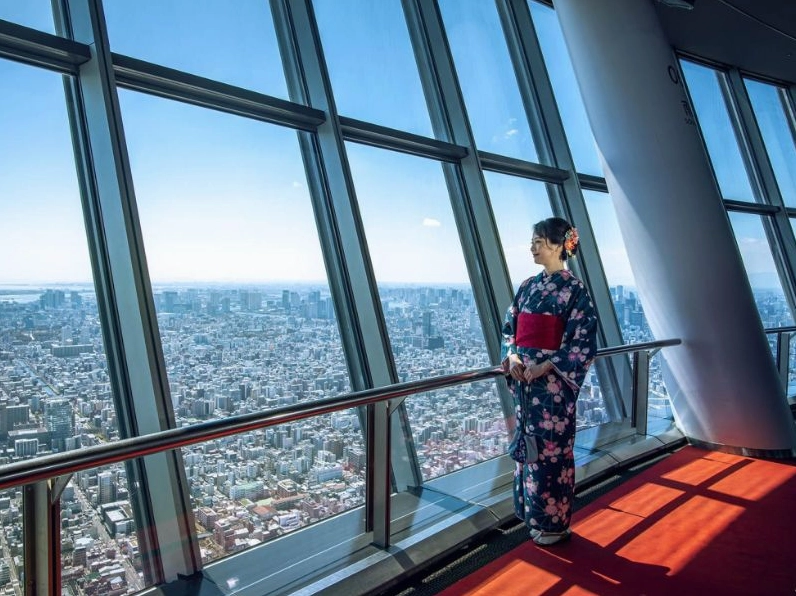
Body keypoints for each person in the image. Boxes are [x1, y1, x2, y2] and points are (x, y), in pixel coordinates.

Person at [501, 217, 598, 546]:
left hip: (553, 391)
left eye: (539, 242)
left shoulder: (575, 290)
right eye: (533, 241)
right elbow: (510, 328)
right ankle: (533, 516)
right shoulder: (527, 286)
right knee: (529, 451)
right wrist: (513, 355)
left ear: (559, 246)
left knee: (551, 454)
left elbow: (583, 342)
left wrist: (549, 364)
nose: (533, 247)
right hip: (526, 386)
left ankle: (554, 524)